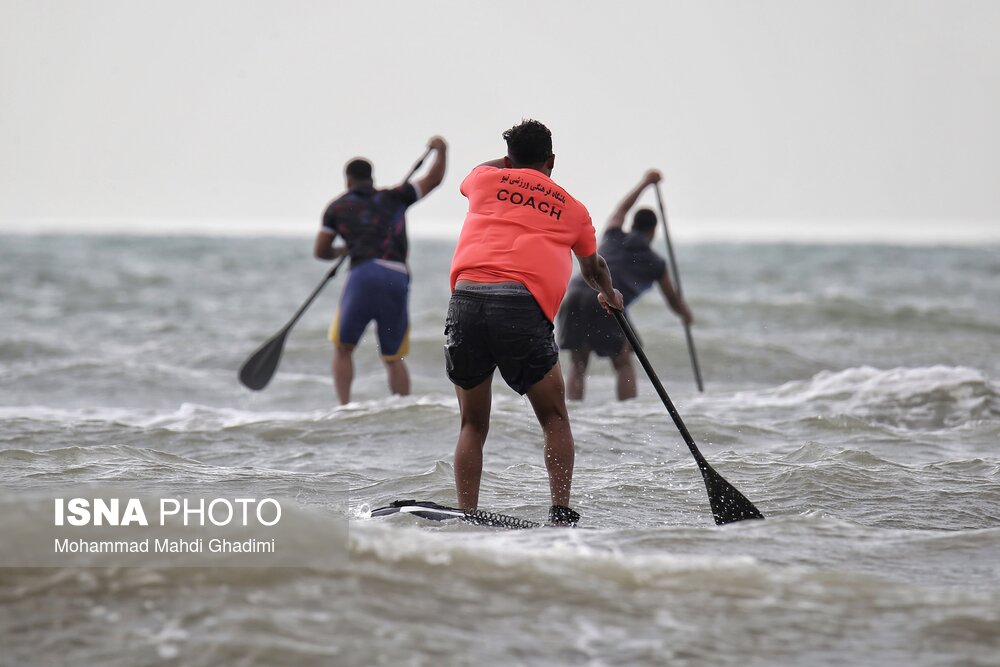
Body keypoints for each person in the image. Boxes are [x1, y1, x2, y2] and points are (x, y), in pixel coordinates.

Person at [445, 119, 623, 526]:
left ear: (507, 158)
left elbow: (477, 169)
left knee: (472, 422)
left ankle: (465, 514)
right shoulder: (574, 209)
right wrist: (609, 295)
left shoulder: (486, 180)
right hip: (521, 308)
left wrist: (509, 164)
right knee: (554, 416)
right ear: (552, 160)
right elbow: (593, 266)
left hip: (466, 300)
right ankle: (560, 509)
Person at [314, 136, 447, 404]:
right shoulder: (395, 197)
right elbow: (433, 180)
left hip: (362, 275)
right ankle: (403, 407)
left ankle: (344, 407)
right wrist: (442, 151)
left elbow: (321, 251)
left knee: (343, 347)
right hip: (396, 276)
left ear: (348, 181)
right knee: (394, 356)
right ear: (372, 179)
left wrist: (344, 249)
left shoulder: (337, 207)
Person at [556, 169, 693, 401]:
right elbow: (672, 299)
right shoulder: (656, 262)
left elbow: (621, 209)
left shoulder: (613, 234)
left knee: (578, 364)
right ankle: (627, 413)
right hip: (606, 298)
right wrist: (686, 315)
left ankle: (574, 413)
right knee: (624, 360)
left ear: (633, 225)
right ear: (653, 231)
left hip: (574, 294)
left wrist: (645, 183)